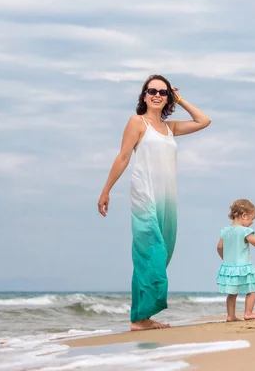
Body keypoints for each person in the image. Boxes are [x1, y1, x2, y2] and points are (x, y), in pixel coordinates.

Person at [97, 75, 211, 331]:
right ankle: (139, 318)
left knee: (163, 254)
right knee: (151, 254)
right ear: (144, 96)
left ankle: (142, 316)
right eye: (152, 91)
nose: (157, 95)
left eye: (163, 91)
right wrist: (106, 191)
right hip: (144, 196)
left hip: (168, 201)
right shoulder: (137, 123)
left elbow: (204, 120)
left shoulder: (171, 128)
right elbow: (123, 157)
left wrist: (179, 97)